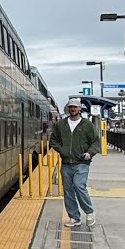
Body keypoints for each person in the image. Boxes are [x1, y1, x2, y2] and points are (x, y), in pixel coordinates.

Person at [49, 97, 102, 227]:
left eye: (75, 107)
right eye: (70, 107)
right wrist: (62, 150)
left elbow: (96, 141)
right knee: (68, 190)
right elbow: (53, 140)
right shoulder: (61, 125)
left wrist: (89, 153)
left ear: (80, 109)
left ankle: (89, 211)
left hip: (81, 162)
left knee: (79, 186)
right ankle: (74, 217)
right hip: (66, 163)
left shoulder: (87, 125)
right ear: (68, 108)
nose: (72, 109)